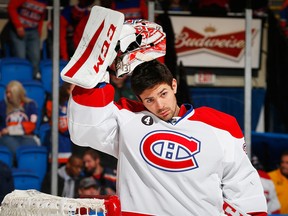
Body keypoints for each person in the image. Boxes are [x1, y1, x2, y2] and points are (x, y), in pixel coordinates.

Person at [67, 58, 267, 215]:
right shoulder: (129, 120)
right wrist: (95, 70)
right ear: (140, 100)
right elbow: (87, 127)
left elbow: (242, 184)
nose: (160, 106)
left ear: (174, 85)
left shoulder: (220, 126)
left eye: (163, 94)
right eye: (150, 100)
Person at [7, 0, 48, 79]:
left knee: (35, 58)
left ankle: (32, 81)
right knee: (20, 57)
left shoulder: (45, 1)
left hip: (33, 31)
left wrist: (39, 31)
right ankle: (20, 80)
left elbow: (41, 16)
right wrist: (18, 26)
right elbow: (11, 7)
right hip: (18, 31)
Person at [0, 81, 39, 159]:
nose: (7, 95)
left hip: (26, 136)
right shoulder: (3, 105)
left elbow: (31, 125)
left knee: (30, 149)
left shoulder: (30, 105)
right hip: (8, 137)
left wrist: (10, 130)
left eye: (10, 93)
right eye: (7, 92)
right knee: (15, 150)